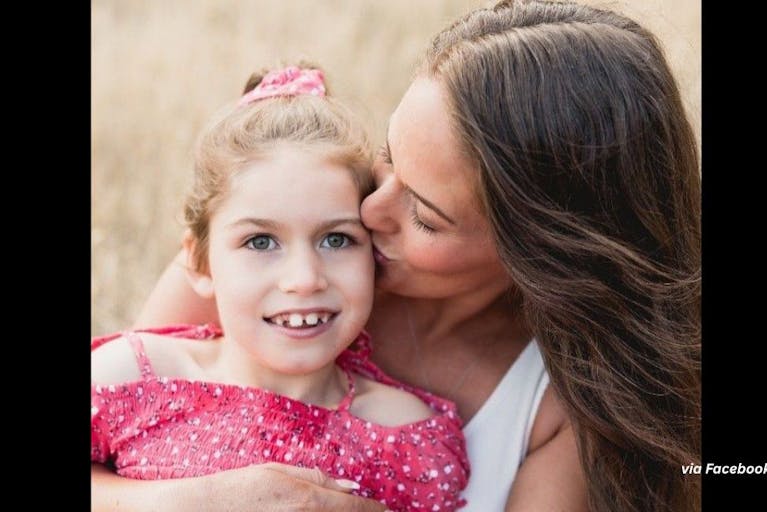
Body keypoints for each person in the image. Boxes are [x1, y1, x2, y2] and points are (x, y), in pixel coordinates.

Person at [92, 1, 701, 511]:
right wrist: (190, 499)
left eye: (425, 215)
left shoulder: (568, 410)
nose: (369, 210)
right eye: (389, 158)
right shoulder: (277, 251)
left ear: (538, 253)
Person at [91, 65, 470, 512]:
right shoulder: (130, 378)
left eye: (337, 239)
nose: (304, 278)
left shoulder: (407, 439)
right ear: (200, 262)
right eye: (260, 241)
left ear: (374, 254)